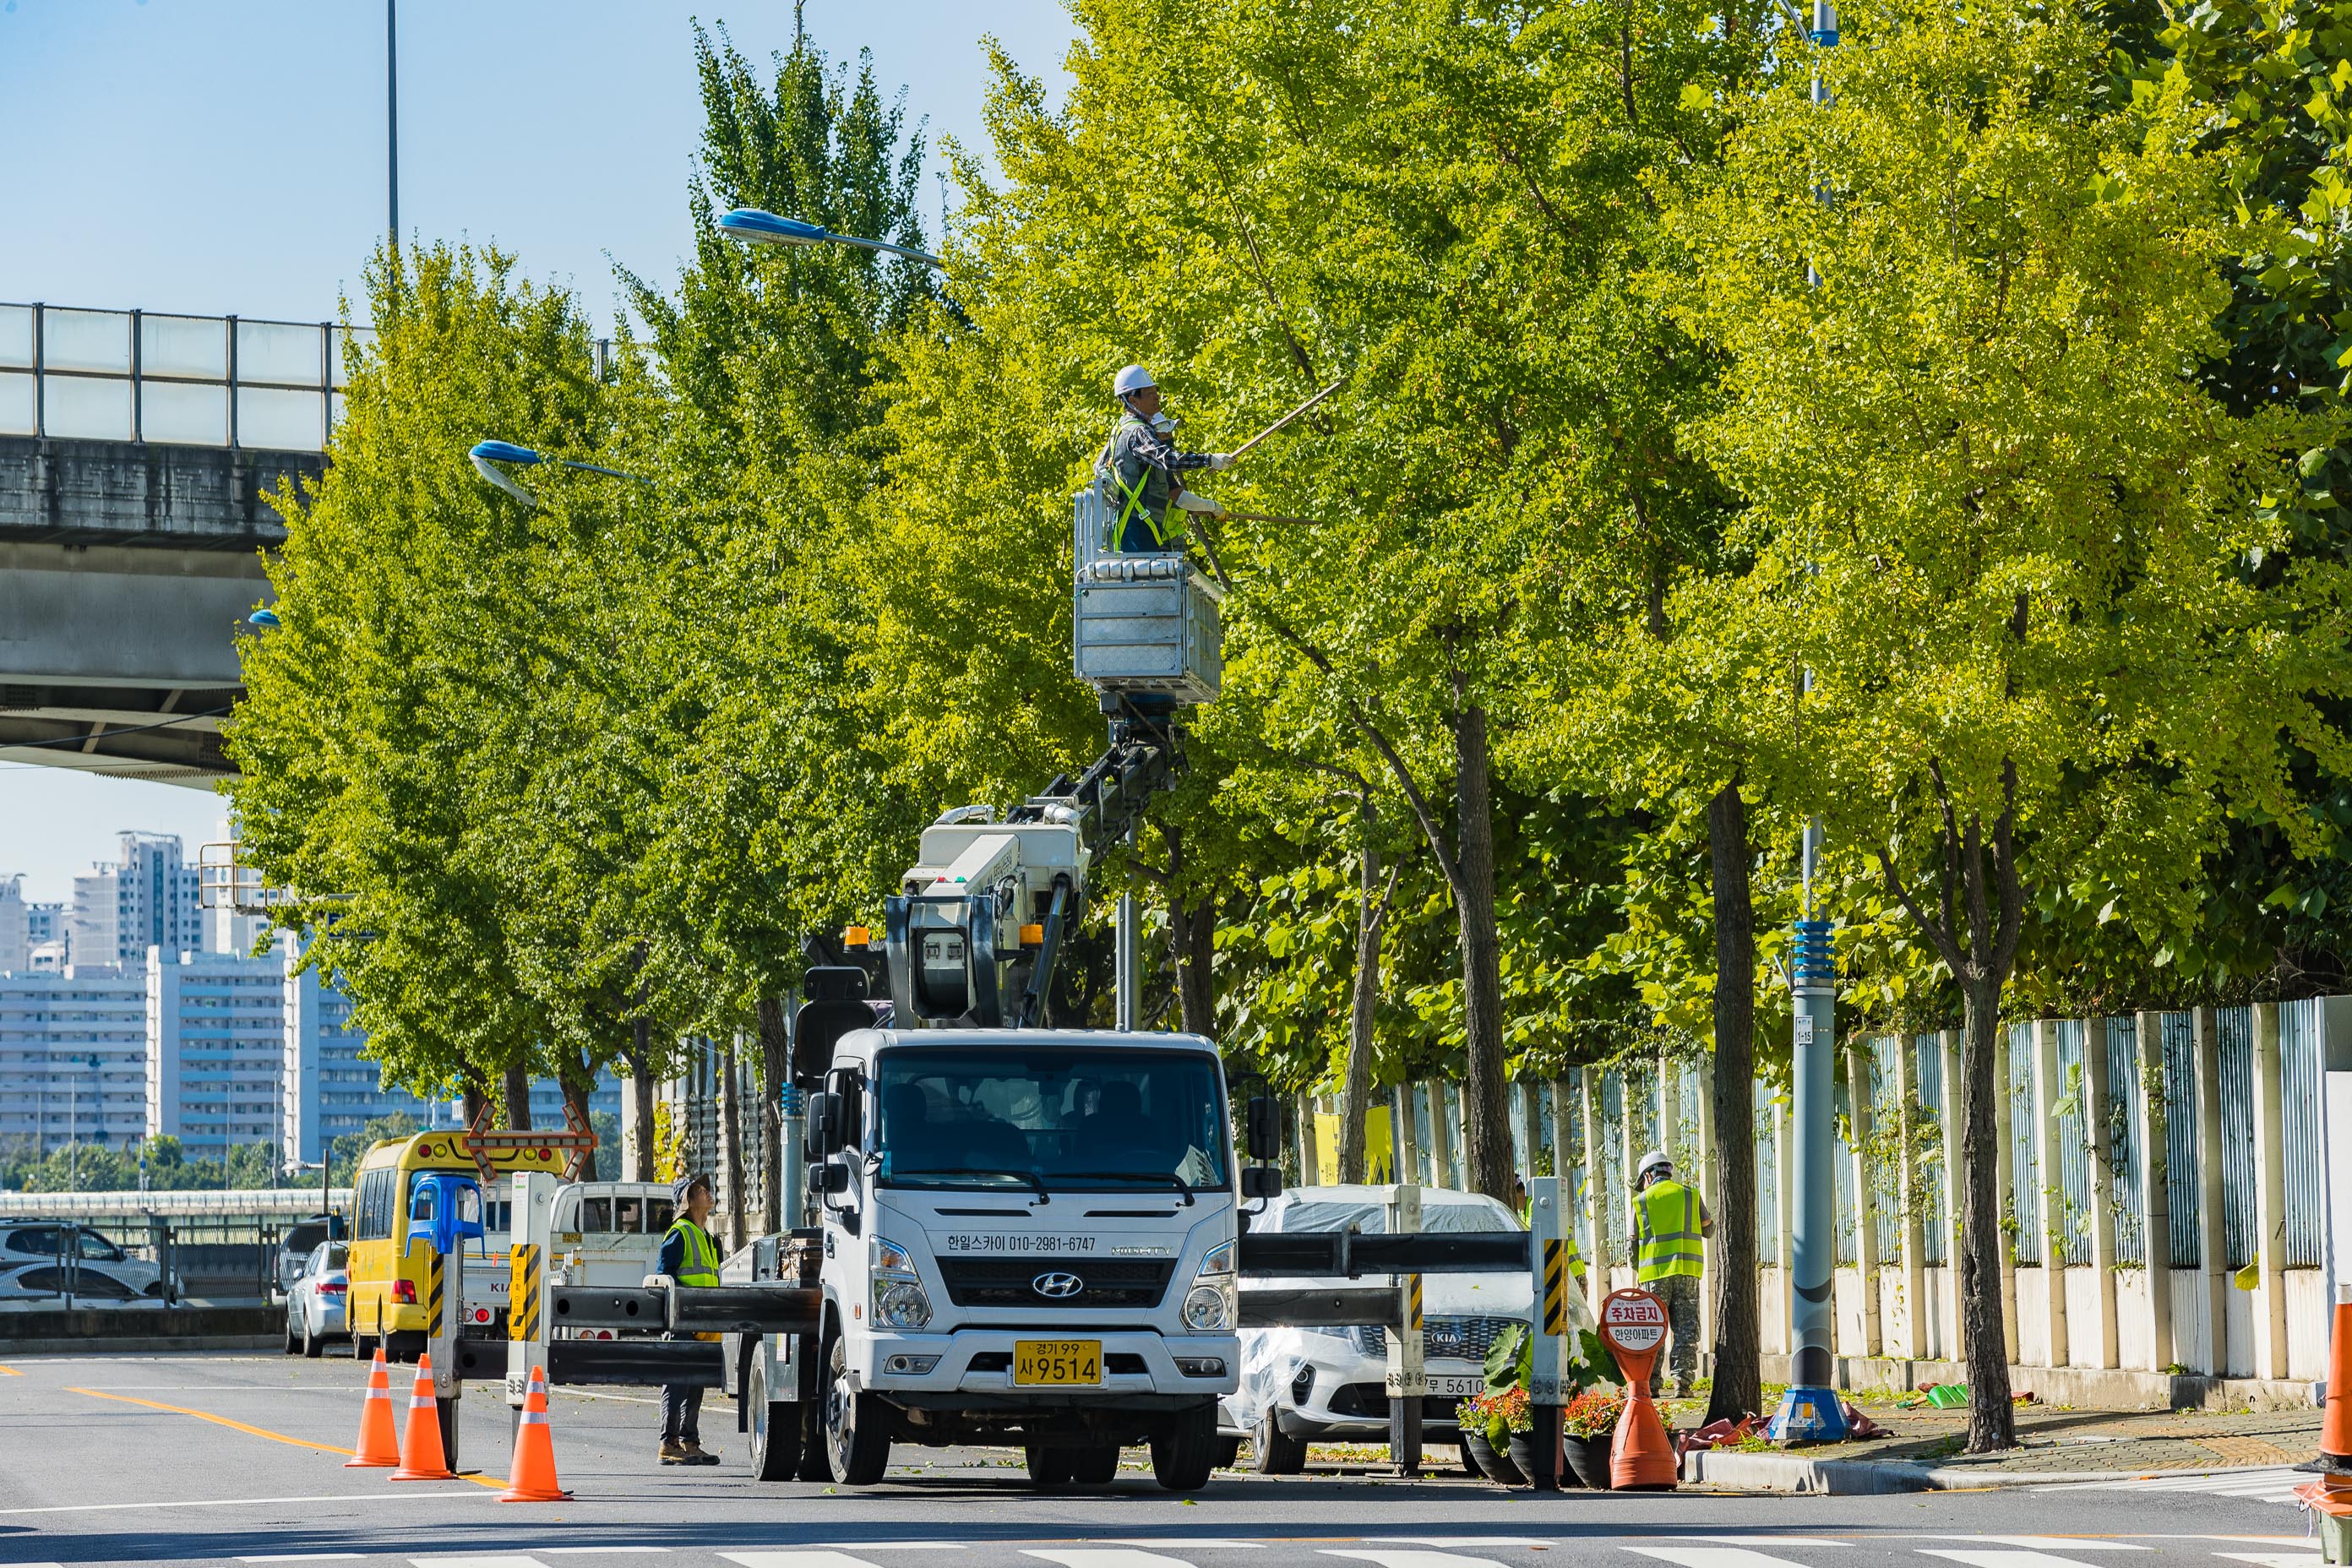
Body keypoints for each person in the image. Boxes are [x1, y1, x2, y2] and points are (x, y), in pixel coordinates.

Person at [1096, 365, 1234, 553]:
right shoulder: (1138, 431)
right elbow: (1168, 459)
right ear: (1132, 399)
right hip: (1138, 529)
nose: (1156, 396)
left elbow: (1100, 467)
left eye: (1155, 391)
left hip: (1138, 526)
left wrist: (1210, 508)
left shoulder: (1121, 430)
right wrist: (1209, 460)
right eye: (1149, 392)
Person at [1630, 1147, 1712, 1400]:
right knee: (1686, 1330)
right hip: (1687, 1272)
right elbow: (1708, 1230)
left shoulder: (1642, 1201)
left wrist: (1638, 1267)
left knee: (1653, 1330)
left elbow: (1632, 1244)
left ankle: (1653, 1386)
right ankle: (1682, 1385)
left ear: (1648, 1176)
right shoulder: (1690, 1196)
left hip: (1653, 1276)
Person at [656, 1173, 723, 1466]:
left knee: (695, 1383)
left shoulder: (708, 1238)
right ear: (688, 1200)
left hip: (704, 1323)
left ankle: (689, 1441)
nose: (708, 1192)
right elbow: (663, 1277)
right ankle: (669, 1443)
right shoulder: (679, 1233)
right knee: (677, 1381)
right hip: (683, 1321)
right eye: (700, 1189)